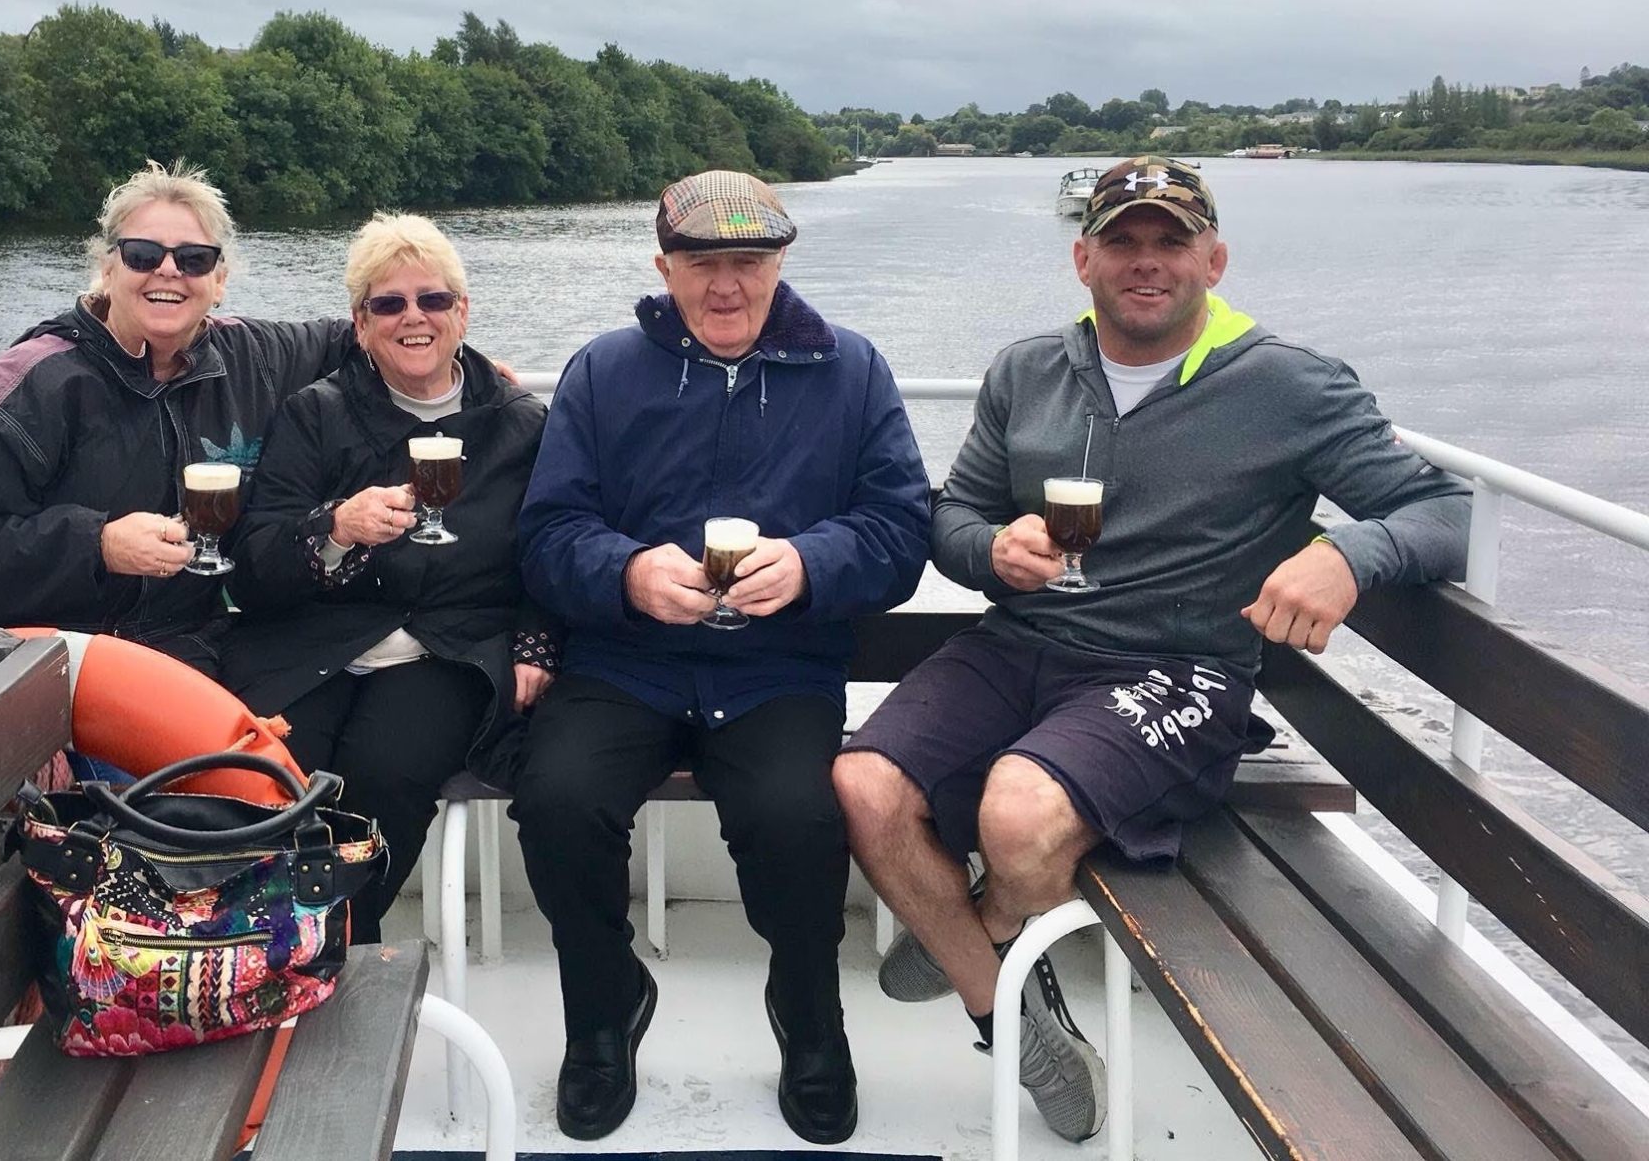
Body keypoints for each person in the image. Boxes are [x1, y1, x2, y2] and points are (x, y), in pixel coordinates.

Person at [833, 156, 1471, 1144]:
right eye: (1121, 243)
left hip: (1179, 667)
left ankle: (979, 930)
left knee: (1018, 812)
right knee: (864, 786)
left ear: (1213, 260)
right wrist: (990, 551)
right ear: (1081, 259)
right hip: (1024, 639)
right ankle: (1007, 1011)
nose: (1146, 263)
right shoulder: (1026, 371)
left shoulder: (1290, 387)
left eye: (1170, 243)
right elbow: (956, 512)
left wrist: (1354, 552)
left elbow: (1442, 509)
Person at [514, 170, 930, 1145]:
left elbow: (900, 528)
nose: (727, 286)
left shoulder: (852, 372)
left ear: (782, 262)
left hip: (778, 666)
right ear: (665, 267)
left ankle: (808, 1015)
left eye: (749, 261)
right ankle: (604, 1006)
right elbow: (547, 534)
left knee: (795, 817)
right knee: (558, 797)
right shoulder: (603, 372)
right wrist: (625, 573)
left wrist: (813, 563)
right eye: (703, 264)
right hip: (626, 660)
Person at [223, 214, 554, 942]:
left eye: (434, 301)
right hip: (317, 639)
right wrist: (333, 530)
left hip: (447, 645)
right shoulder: (317, 415)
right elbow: (255, 564)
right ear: (361, 324)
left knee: (388, 774)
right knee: (276, 768)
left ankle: (337, 948)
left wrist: (535, 641)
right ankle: (266, 946)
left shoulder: (521, 425)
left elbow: (549, 550)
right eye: (389, 304)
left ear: (462, 313)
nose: (415, 318)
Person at [0, 160, 355, 669]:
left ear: (219, 280)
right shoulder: (30, 386)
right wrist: (97, 546)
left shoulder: (253, 357)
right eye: (142, 254)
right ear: (108, 269)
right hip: (17, 658)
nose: (168, 270)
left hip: (178, 647)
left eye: (194, 258)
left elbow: (375, 331)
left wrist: (444, 334)